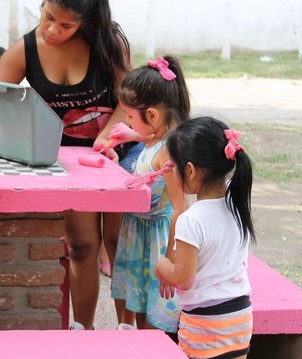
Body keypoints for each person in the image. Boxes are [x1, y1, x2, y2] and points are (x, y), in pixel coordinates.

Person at [0, 0, 133, 330]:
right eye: (48, 18)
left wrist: (105, 138)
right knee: (82, 247)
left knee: (118, 245)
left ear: (86, 22)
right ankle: (82, 331)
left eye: (66, 25)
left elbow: (129, 101)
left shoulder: (109, 42)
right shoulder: (25, 50)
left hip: (115, 156)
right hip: (69, 164)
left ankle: (125, 329)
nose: (52, 29)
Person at [156, 116, 255, 359]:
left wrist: (162, 266)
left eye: (173, 166)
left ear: (189, 170)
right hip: (240, 317)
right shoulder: (236, 202)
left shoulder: (191, 219)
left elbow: (183, 278)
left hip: (206, 323)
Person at [110, 55, 190, 334]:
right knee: (140, 305)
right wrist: (133, 135)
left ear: (152, 115)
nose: (129, 122)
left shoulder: (169, 150)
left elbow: (181, 208)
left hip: (156, 241)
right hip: (139, 233)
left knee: (152, 321)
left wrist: (170, 259)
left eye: (131, 117)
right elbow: (153, 138)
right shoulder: (159, 135)